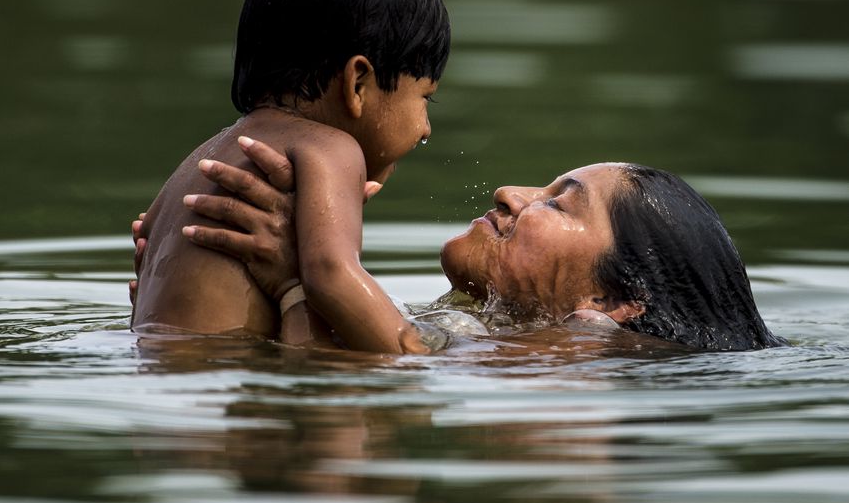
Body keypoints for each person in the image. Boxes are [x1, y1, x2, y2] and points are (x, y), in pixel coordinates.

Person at [132, 0, 450, 354]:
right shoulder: (332, 149)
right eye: (425, 98)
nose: (426, 128)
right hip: (230, 385)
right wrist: (411, 349)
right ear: (358, 82)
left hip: (156, 381)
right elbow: (329, 274)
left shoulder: (201, 158)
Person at [159, 138, 786, 352]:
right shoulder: (508, 339)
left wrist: (298, 278)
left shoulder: (566, 361)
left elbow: (338, 394)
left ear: (612, 298)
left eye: (559, 201)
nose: (511, 193)